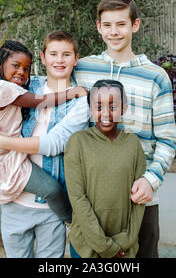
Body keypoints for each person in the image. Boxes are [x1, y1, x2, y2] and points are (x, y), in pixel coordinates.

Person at [72, 0, 176, 258]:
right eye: (107, 25)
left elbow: (167, 139)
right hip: (95, 203)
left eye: (121, 24)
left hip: (139, 199)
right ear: (98, 27)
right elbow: (49, 93)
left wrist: (150, 180)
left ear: (135, 25)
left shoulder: (156, 77)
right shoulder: (82, 70)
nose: (114, 32)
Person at [0, 31, 90, 258]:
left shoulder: (80, 101)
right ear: (43, 58)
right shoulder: (25, 86)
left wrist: (1, 141)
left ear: (76, 59)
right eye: (53, 54)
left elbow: (54, 143)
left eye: (66, 55)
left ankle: (72, 221)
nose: (59, 60)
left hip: (51, 210)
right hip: (16, 201)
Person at [64, 79, 146, 258]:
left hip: (124, 246)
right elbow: (77, 198)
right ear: (90, 109)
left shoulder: (133, 144)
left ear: (123, 108)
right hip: (85, 244)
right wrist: (105, 246)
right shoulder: (78, 142)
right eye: (99, 107)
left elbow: (139, 201)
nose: (106, 113)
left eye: (113, 106)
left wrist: (126, 241)